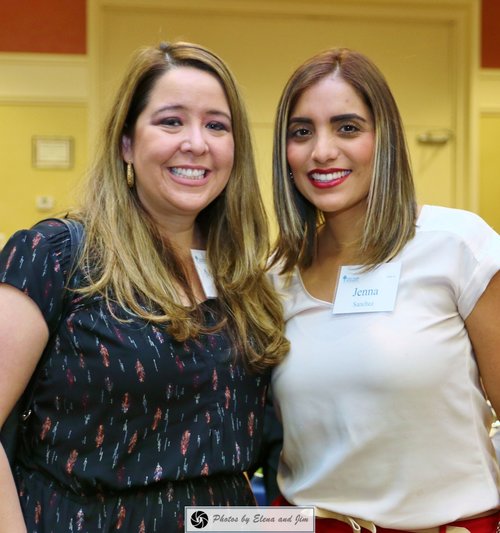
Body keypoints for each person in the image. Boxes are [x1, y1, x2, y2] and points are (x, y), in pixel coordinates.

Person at [0, 41, 289, 532]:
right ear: (126, 143)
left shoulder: (249, 281)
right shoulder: (55, 256)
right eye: (171, 121)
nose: (196, 143)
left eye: (217, 125)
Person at [269, 47, 500, 532]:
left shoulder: (458, 245)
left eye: (347, 127)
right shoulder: (276, 275)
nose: (322, 151)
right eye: (301, 132)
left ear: (385, 139)